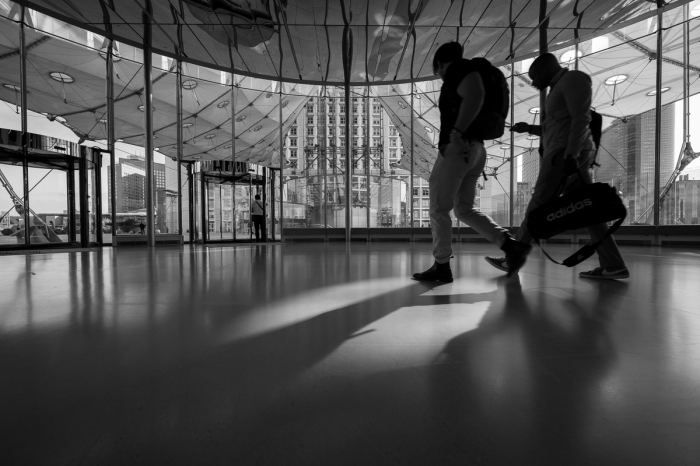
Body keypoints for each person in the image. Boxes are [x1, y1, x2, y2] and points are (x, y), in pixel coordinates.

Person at [485, 52, 629, 280]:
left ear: (544, 69)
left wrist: (570, 154)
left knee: (538, 202)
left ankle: (513, 256)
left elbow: (581, 119)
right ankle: (613, 264)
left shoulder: (574, 79)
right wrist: (529, 129)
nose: (533, 83)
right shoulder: (558, 88)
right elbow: (557, 127)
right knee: (590, 211)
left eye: (533, 77)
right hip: (566, 154)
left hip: (564, 156)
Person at [412, 42, 531, 283]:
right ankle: (509, 245)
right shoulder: (475, 71)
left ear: (440, 64)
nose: (440, 76)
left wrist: (456, 132)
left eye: (438, 71)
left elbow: (475, 94)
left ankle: (442, 266)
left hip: (458, 148)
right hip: (476, 149)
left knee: (438, 208)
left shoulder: (457, 70)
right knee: (464, 209)